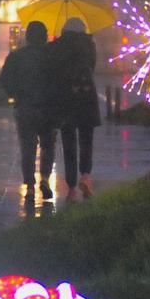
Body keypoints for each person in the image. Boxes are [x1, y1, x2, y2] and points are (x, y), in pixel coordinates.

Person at [0, 20, 57, 208]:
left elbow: (4, 80)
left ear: (27, 36)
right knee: (48, 144)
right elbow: (60, 80)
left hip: (25, 107)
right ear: (45, 36)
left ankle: (30, 186)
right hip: (48, 107)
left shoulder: (16, 57)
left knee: (28, 147)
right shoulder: (52, 56)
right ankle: (45, 178)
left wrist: (15, 94)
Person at [50, 16, 100, 201]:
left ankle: (71, 186)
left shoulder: (57, 47)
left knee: (68, 140)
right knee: (86, 139)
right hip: (86, 96)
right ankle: (86, 176)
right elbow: (92, 67)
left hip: (66, 98)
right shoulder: (89, 46)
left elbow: (53, 71)